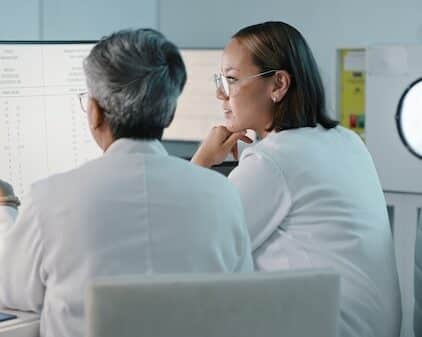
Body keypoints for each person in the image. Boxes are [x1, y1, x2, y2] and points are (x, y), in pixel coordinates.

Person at [0, 28, 253, 337]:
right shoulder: (222, 194)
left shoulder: (51, 199)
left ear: (94, 112)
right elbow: (239, 297)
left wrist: (5, 206)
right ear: (169, 113)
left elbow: (10, 290)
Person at [192, 21, 401, 337]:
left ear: (278, 85)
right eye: (219, 79)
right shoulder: (346, 139)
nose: (221, 94)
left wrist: (202, 161)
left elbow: (193, 248)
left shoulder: (273, 160)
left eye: (231, 80)